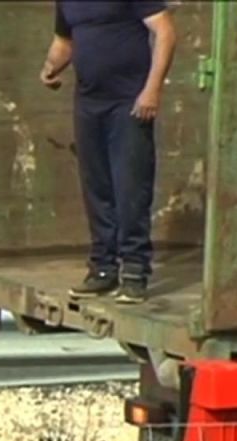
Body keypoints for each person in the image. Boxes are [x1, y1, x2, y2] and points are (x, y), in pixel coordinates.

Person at [41, 0, 175, 304]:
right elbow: (64, 40)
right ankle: (103, 268)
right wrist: (50, 68)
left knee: (130, 186)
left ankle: (134, 272)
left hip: (128, 101)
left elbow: (165, 33)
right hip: (89, 102)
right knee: (97, 186)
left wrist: (152, 89)